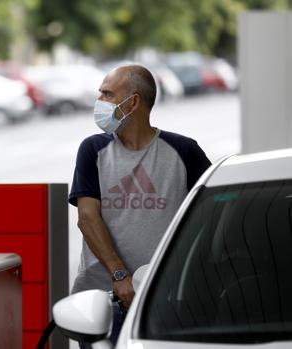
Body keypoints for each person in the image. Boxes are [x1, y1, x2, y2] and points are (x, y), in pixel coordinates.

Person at [69, 64, 211, 347]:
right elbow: (87, 217)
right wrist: (120, 275)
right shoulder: (93, 150)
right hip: (104, 299)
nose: (99, 102)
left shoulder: (184, 152)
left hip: (166, 298)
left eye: (107, 95)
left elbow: (209, 216)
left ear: (132, 102)